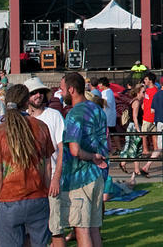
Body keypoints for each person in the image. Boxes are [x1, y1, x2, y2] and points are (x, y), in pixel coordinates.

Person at [0, 83, 54, 247]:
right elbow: (47, 166)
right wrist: (44, 189)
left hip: (10, 198)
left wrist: (1, 196)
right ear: (26, 103)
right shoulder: (41, 126)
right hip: (37, 196)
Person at [59, 72, 109, 247]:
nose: (61, 92)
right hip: (98, 176)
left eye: (62, 89)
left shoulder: (74, 114)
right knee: (94, 228)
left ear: (71, 90)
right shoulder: (97, 109)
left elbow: (74, 150)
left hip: (80, 178)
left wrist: (92, 157)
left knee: (82, 229)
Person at [25, 77, 66, 242]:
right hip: (28, 182)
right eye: (34, 93)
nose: (38, 96)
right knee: (30, 232)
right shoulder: (22, 119)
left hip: (51, 181)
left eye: (40, 92)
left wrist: (56, 178)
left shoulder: (54, 115)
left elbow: (62, 149)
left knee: (56, 229)